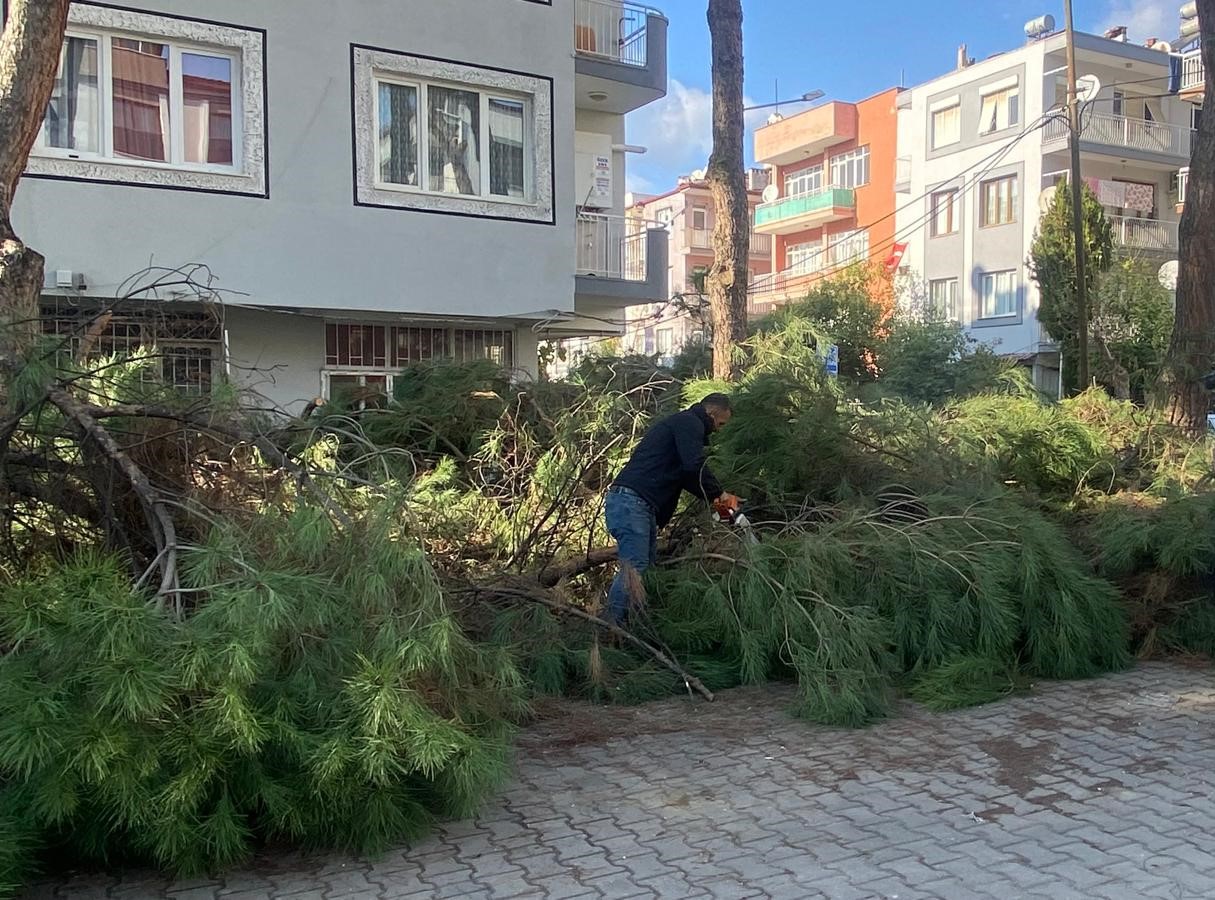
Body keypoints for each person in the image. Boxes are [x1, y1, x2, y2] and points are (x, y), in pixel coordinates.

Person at [603, 393, 740, 624]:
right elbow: (693, 466)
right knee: (634, 569)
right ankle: (610, 628)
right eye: (720, 424)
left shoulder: (684, 427)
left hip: (638, 504)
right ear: (711, 414)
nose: (718, 430)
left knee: (646, 570)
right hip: (632, 502)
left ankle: (635, 627)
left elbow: (688, 477)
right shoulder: (690, 423)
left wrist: (719, 501)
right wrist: (719, 494)